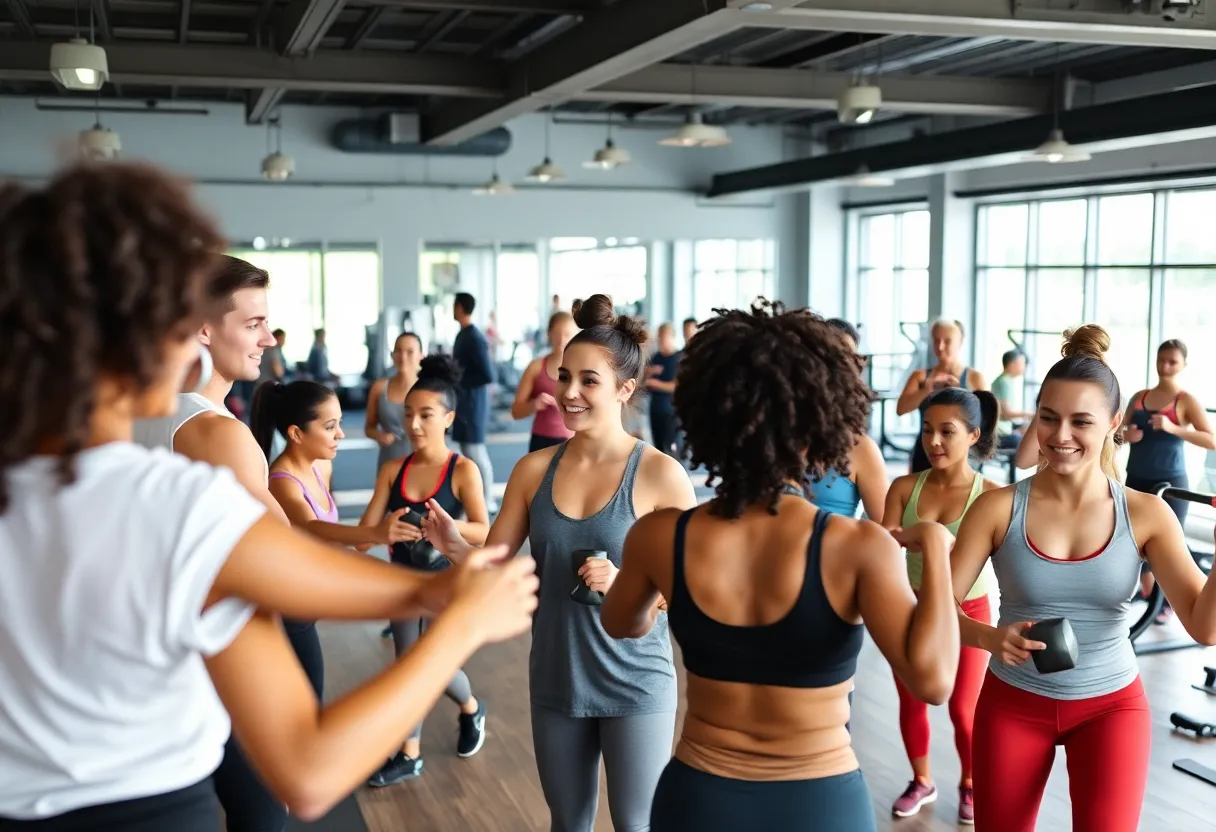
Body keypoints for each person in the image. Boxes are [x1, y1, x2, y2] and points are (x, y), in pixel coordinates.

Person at [0, 162, 539, 831]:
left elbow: (284, 569)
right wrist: (458, 624)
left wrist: (429, 593)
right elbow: (308, 771)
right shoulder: (175, 501)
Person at [597, 301, 960, 832]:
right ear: (821, 424)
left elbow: (620, 623)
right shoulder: (858, 546)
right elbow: (934, 680)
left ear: (708, 418)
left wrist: (666, 593)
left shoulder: (660, 536)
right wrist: (938, 552)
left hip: (701, 797)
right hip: (819, 803)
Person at [421, 294, 698, 832]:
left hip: (636, 682)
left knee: (635, 824)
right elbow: (496, 564)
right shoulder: (532, 471)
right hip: (557, 675)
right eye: (564, 376)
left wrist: (632, 587)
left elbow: (693, 589)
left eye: (588, 381)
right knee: (567, 823)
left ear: (624, 389)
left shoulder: (663, 476)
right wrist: (455, 544)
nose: (567, 392)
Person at [949, 325, 1216, 832]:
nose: (1061, 436)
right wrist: (989, 637)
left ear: (1115, 423)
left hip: (1112, 708)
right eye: (1048, 419)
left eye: (1080, 421)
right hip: (1013, 702)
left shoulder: (1146, 514)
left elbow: (1206, 628)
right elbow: (937, 606)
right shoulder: (998, 508)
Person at [359, 355, 491, 786]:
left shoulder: (462, 471)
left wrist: (443, 528)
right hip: (400, 581)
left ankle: (455, 717)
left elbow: (485, 531)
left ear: (449, 418)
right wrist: (384, 530)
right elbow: (364, 536)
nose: (414, 424)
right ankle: (422, 743)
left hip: (445, 581)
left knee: (426, 662)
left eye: (426, 415)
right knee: (409, 663)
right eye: (409, 414)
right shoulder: (393, 469)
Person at [250, 381, 419, 697]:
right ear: (297, 434)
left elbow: (330, 542)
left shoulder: (321, 467)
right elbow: (311, 527)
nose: (341, 433)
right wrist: (374, 533)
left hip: (309, 598)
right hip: (286, 609)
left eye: (339, 423)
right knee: (306, 699)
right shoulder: (282, 482)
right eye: (330, 427)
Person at [881, 387, 1002, 824]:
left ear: (973, 435)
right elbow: (882, 547)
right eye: (927, 430)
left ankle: (971, 784)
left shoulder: (989, 495)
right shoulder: (903, 487)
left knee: (963, 709)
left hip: (970, 611)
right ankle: (922, 780)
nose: (933, 442)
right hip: (912, 609)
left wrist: (915, 537)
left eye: (946, 432)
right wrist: (922, 539)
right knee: (912, 701)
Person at [1120, 339, 1215, 623]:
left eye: (1172, 361)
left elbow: (1211, 439)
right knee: (1131, 539)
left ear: (1183, 365)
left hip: (1170, 482)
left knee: (1168, 543)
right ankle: (1150, 596)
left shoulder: (1185, 401)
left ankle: (1166, 602)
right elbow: (1118, 432)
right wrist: (1125, 436)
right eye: (1161, 359)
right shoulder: (1140, 395)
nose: (1165, 366)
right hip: (1135, 477)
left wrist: (1173, 427)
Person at [808, 320, 887, 522]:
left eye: (846, 358)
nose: (837, 367)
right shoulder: (773, 442)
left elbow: (887, 533)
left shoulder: (862, 449)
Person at [896, 319, 987, 473]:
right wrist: (927, 390)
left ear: (960, 342)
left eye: (947, 341)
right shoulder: (920, 377)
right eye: (936, 340)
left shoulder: (975, 378)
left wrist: (962, 393)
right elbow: (901, 409)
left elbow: (987, 418)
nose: (940, 346)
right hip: (925, 450)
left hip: (963, 454)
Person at [451, 292, 497, 513]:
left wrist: (459, 381)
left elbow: (487, 375)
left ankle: (487, 500)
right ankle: (472, 499)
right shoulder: (463, 335)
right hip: (464, 404)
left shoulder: (474, 337)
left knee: (476, 453)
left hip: (473, 405)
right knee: (467, 453)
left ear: (459, 307)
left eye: (454, 305)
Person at [512, 311, 578, 453]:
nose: (561, 340)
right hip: (541, 440)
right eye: (556, 334)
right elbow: (516, 412)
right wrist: (534, 404)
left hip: (572, 441)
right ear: (549, 335)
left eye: (567, 335)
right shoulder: (535, 367)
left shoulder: (582, 370)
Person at [365, 332, 424, 470]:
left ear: (420, 355)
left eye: (410, 352)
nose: (403, 357)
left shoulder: (428, 389)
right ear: (392, 354)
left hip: (421, 461)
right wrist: (380, 435)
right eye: (398, 351)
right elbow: (369, 428)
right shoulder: (379, 388)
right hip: (390, 459)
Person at [645, 323, 680, 457]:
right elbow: (643, 382)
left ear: (672, 337)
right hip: (655, 408)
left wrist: (655, 383)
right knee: (658, 449)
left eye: (663, 336)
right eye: (659, 337)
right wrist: (648, 373)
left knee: (670, 449)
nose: (660, 340)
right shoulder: (655, 357)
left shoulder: (679, 358)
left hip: (670, 411)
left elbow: (676, 385)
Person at [992, 350, 1034, 450]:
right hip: (1000, 433)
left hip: (1003, 427)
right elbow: (1006, 414)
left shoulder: (1002, 380)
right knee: (1028, 439)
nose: (1024, 367)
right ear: (1011, 364)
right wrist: (1030, 415)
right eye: (1022, 363)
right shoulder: (1004, 383)